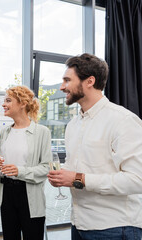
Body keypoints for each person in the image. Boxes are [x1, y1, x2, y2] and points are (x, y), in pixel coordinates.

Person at [48, 53, 142, 240]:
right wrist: (62, 175)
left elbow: (137, 179)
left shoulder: (123, 121)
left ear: (89, 81)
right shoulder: (73, 125)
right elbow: (79, 167)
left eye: (67, 80)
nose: (62, 87)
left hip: (115, 228)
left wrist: (77, 178)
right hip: (78, 225)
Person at [0, 86, 51, 240]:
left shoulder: (42, 132)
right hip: (7, 194)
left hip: (29, 195)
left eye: (8, 100)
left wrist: (19, 171)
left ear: (23, 103)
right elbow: (0, 170)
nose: (3, 104)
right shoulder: (5, 132)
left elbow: (46, 168)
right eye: (4, 101)